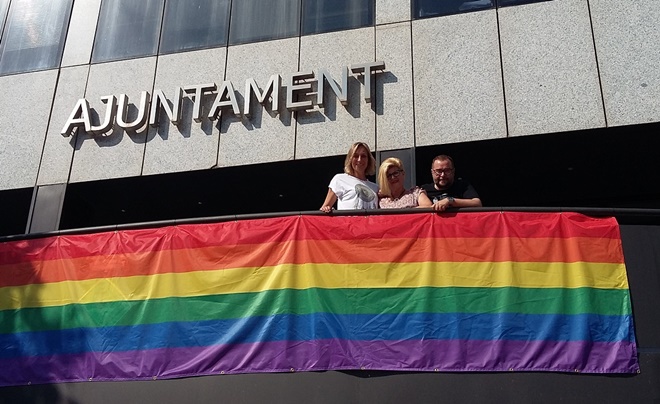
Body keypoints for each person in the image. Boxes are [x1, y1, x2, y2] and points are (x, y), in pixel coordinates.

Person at [320, 142, 379, 212]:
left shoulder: (375, 188)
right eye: (356, 156)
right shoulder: (339, 179)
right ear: (350, 159)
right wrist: (327, 209)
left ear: (368, 160)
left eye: (363, 156)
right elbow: (325, 208)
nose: (359, 159)